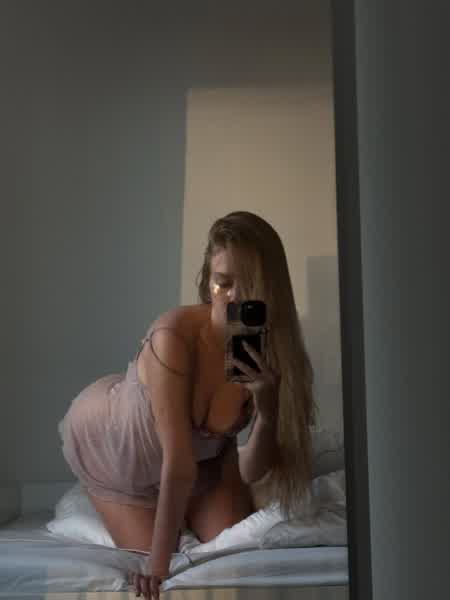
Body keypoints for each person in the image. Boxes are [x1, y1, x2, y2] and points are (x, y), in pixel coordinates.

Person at [58, 211, 317, 600]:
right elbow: (177, 464)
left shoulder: (264, 349)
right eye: (222, 282)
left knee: (229, 541)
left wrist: (267, 410)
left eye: (248, 283)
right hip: (116, 445)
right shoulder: (174, 336)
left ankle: (186, 497)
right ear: (207, 282)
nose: (234, 296)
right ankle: (119, 495)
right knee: (158, 554)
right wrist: (157, 567)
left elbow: (251, 471)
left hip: (202, 460)